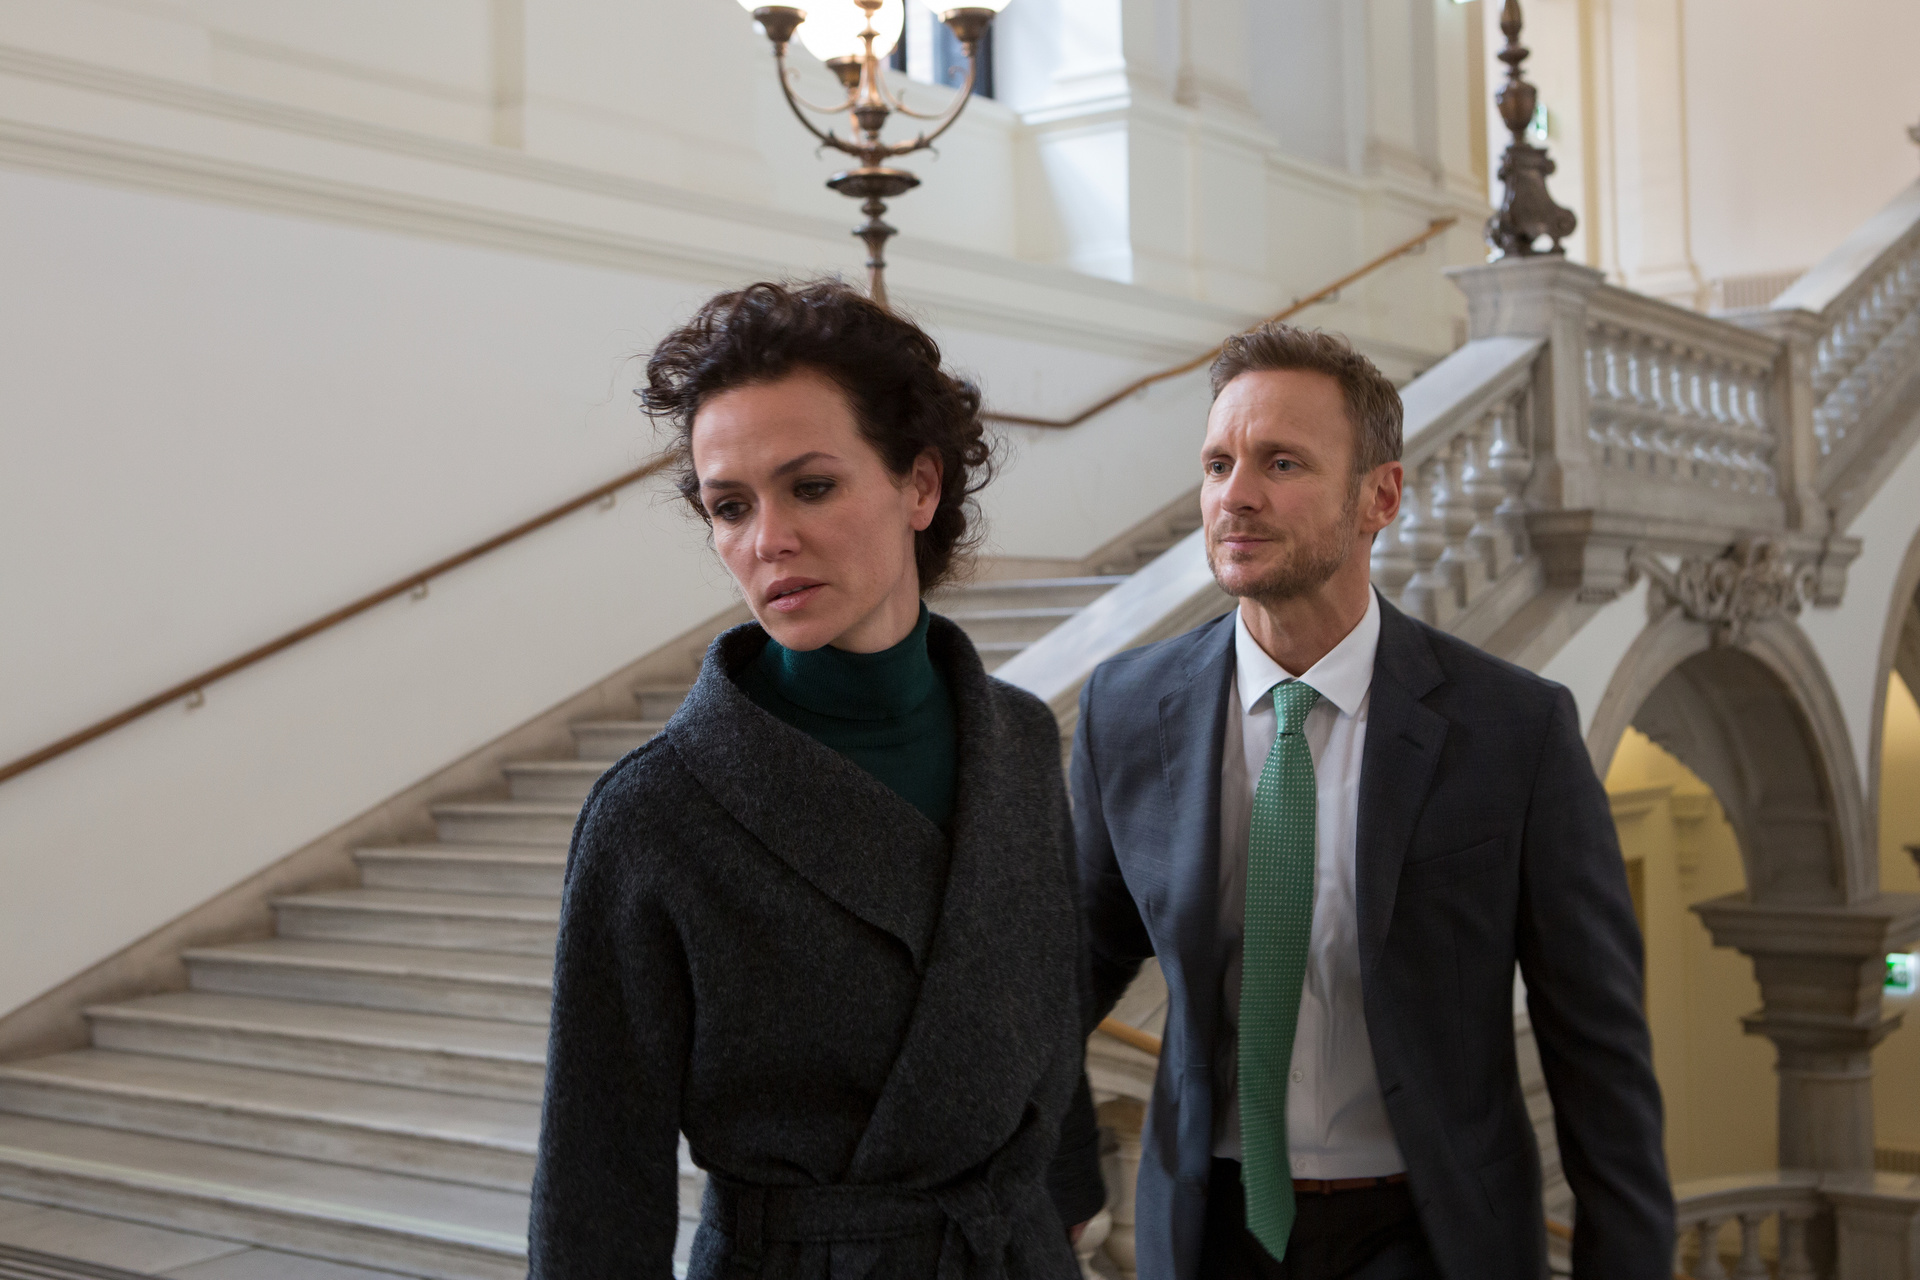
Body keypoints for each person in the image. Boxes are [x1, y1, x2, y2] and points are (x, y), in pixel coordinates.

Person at [1070, 322, 1674, 1280]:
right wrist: (1056, 1170)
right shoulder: (1128, 709)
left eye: (1281, 463)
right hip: (1206, 1232)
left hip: (1428, 1237)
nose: (1236, 495)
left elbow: (1596, 1047)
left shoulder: (1515, 731)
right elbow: (1068, 973)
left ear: (1379, 497)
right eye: (1219, 464)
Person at [527, 280, 1105, 1278]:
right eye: (730, 506)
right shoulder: (653, 814)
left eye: (812, 487)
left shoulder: (1014, 735)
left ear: (920, 486)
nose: (767, 540)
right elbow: (596, 1179)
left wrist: (1067, 1199)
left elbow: (1046, 1013)